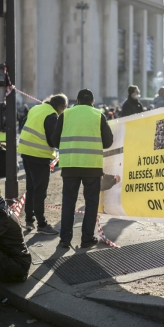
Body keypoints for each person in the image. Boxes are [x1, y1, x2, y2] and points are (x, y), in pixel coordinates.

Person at [51, 89, 114, 248]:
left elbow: (54, 140)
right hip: (91, 166)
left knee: (68, 202)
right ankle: (87, 238)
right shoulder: (98, 115)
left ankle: (65, 239)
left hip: (70, 165)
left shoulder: (66, 114)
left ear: (77, 101)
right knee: (91, 203)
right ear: (92, 101)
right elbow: (108, 142)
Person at [18, 94, 68, 234]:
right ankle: (42, 223)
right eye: (64, 108)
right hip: (39, 155)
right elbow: (53, 140)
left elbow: (23, 125)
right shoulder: (52, 115)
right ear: (60, 106)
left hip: (26, 152)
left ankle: (29, 220)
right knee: (40, 191)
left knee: (31, 188)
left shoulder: (36, 108)